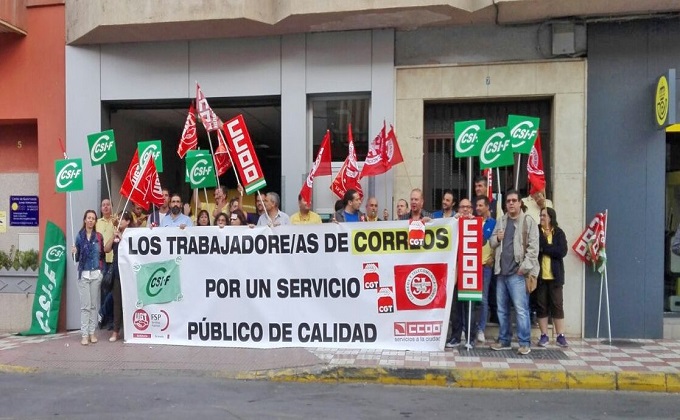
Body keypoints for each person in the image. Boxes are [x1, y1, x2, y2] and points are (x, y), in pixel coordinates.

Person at [489, 189, 539, 355]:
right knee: (502, 310)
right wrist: (497, 238)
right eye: (508, 201)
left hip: (517, 274)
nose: (510, 203)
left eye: (513, 201)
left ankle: (524, 343)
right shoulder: (501, 221)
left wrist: (523, 268)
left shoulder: (528, 222)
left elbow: (533, 249)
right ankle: (504, 340)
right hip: (501, 273)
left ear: (519, 203)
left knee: (521, 309)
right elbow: (491, 243)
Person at [71, 209, 105, 346]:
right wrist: (74, 252)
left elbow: (102, 255)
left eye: (93, 218)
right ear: (85, 220)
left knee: (93, 306)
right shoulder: (79, 236)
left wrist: (101, 271)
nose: (90, 220)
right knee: (85, 306)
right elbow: (77, 258)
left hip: (96, 274)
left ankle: (92, 333)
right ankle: (84, 334)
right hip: (83, 275)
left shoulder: (99, 237)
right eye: (88, 218)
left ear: (95, 221)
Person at [536, 207, 569, 348]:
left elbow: (562, 251)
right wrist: (549, 248)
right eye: (541, 215)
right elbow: (536, 247)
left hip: (555, 276)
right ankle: (544, 335)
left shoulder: (559, 232)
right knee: (541, 305)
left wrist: (545, 248)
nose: (541, 218)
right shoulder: (537, 231)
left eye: (544, 215)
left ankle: (560, 335)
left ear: (550, 217)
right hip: (540, 276)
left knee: (557, 305)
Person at [103, 211, 132, 342]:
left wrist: (123, 238)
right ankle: (116, 331)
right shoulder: (115, 235)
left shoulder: (132, 235)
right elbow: (106, 249)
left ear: (128, 222)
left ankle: (130, 330)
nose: (119, 221)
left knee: (130, 302)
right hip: (117, 273)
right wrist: (113, 236)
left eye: (122, 219)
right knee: (117, 303)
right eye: (118, 218)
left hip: (130, 274)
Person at [474, 195, 496, 343]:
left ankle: (480, 329)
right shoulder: (472, 222)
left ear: (488, 207)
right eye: (477, 205)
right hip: (471, 265)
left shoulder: (494, 223)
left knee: (483, 299)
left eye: (481, 205)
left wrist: (493, 258)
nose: (478, 208)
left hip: (485, 267)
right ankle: (469, 328)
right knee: (469, 297)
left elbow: (497, 242)